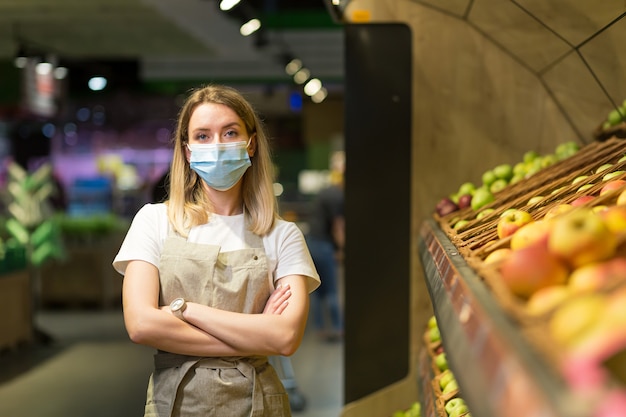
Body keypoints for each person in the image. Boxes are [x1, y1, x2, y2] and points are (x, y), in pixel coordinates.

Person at [112, 84, 320, 417]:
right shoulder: (154, 221)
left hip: (258, 403)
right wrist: (254, 336)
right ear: (188, 150)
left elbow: (284, 338)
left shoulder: (283, 235)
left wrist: (184, 310)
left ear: (250, 144)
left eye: (230, 132)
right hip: (176, 404)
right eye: (203, 136)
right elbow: (141, 324)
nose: (218, 145)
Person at [305, 160, 345, 342]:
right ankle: (338, 328)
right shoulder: (338, 197)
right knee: (331, 290)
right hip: (323, 246)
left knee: (317, 289)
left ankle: (320, 328)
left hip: (311, 243)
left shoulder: (326, 192)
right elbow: (338, 227)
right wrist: (343, 248)